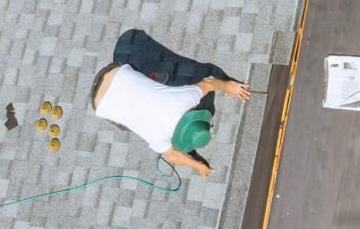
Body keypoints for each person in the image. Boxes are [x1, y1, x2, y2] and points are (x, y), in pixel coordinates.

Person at [91, 62, 249, 177]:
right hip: (98, 103)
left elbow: (208, 83)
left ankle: (151, 79)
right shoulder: (158, 137)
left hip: (116, 71)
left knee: (149, 89)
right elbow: (171, 155)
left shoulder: (186, 99)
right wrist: (198, 166)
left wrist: (229, 86)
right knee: (124, 124)